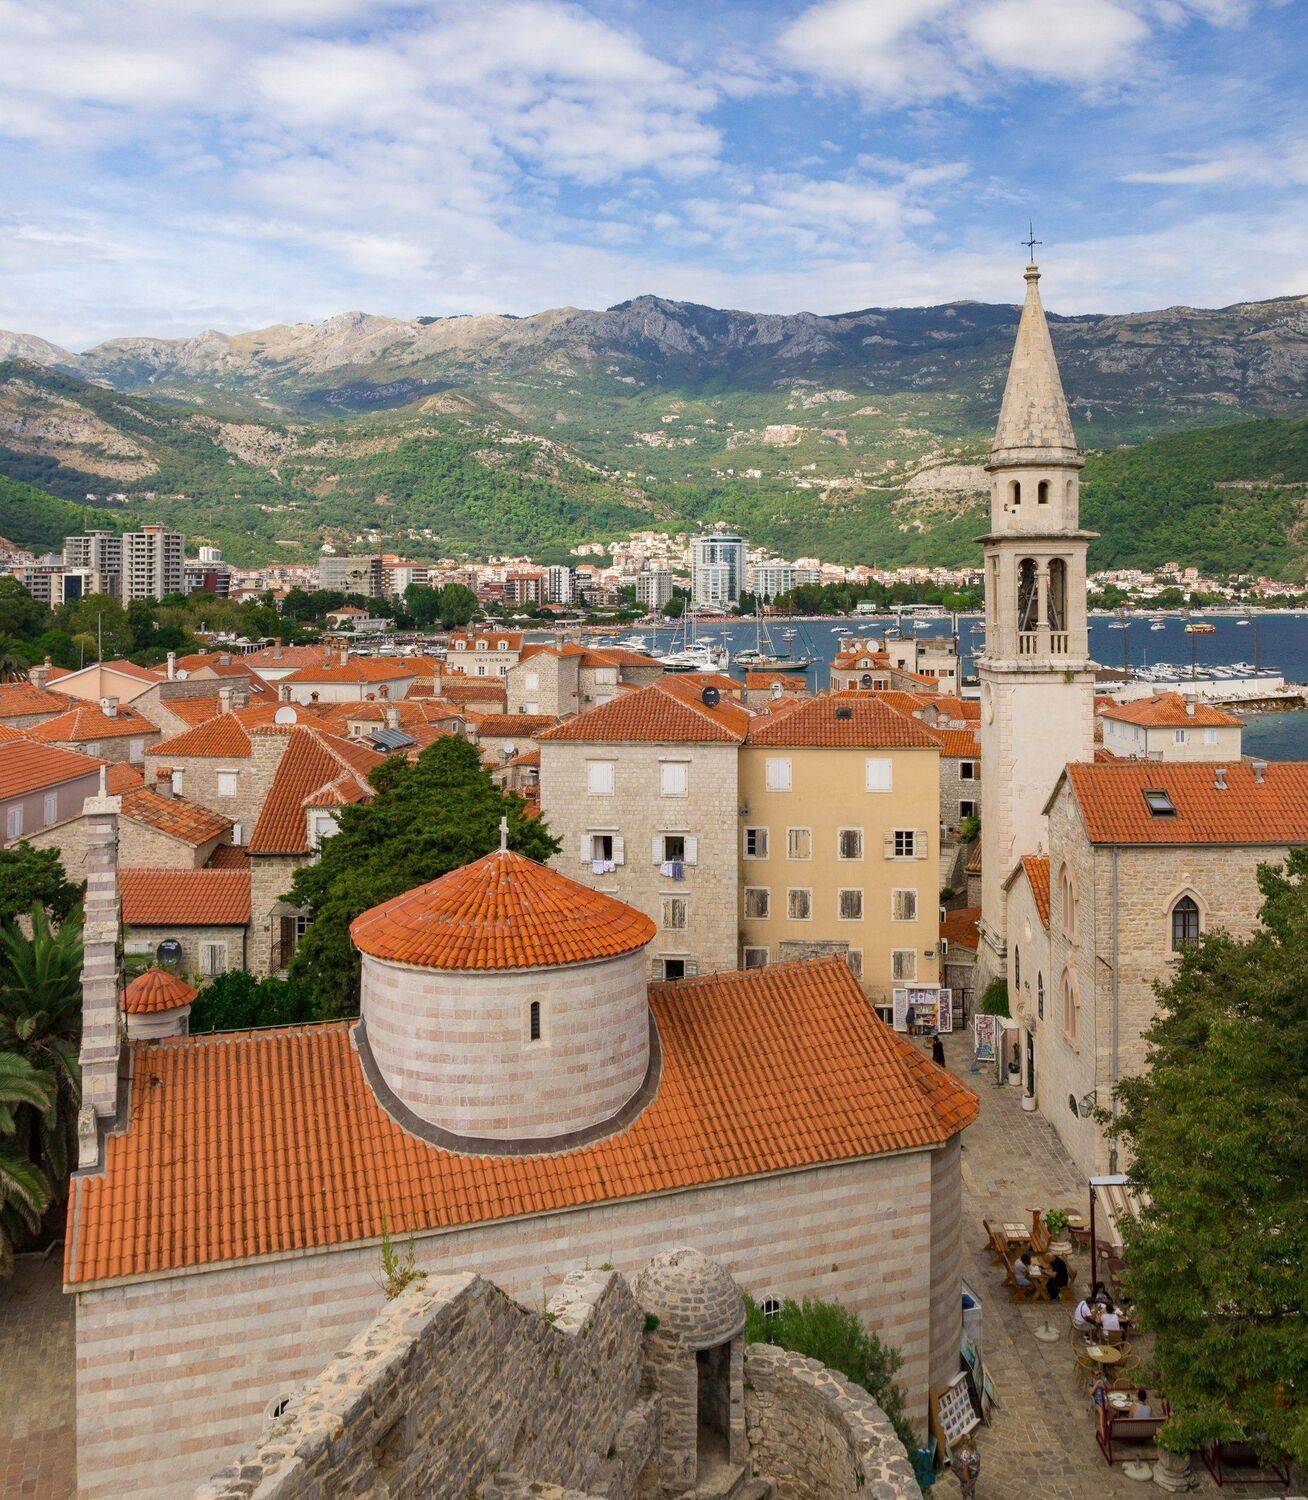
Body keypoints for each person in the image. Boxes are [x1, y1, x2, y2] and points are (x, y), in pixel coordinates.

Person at [949, 1432, 980, 1498]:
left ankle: (966, 1496)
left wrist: (967, 1481)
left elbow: (965, 1470)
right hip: (974, 1475)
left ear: (965, 1445)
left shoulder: (965, 1455)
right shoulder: (975, 1451)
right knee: (972, 1485)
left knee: (965, 1490)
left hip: (968, 1477)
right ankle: (973, 1494)